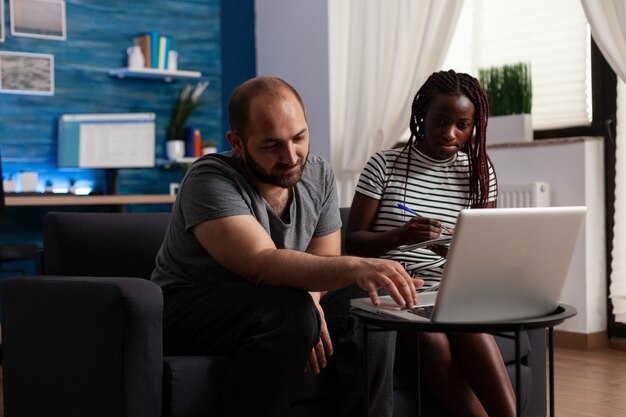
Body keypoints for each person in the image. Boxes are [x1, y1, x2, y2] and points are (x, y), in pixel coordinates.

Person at [150, 76, 422, 417]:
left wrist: (312, 304)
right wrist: (355, 266)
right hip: (187, 307)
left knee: (367, 301)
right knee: (288, 311)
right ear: (237, 142)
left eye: (299, 137)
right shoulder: (208, 179)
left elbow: (323, 260)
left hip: (277, 300)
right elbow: (261, 264)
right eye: (271, 145)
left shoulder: (318, 173)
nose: (291, 156)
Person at [345, 69, 516, 417]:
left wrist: (455, 248)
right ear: (423, 115)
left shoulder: (479, 173)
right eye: (440, 121)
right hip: (398, 287)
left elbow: (483, 252)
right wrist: (401, 235)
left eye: (462, 124)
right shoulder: (385, 165)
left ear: (474, 126)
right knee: (433, 342)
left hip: (451, 288)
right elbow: (353, 244)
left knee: (471, 330)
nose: (449, 133)